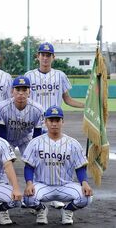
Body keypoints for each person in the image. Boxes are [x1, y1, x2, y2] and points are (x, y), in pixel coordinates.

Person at [24, 41, 85, 209]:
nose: (45, 57)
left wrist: (86, 107)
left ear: (53, 57)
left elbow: (68, 100)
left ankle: (54, 195)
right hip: (34, 124)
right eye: (42, 54)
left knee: (53, 160)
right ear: (38, 57)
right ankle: (37, 194)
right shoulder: (29, 75)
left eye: (48, 55)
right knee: (37, 160)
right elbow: (23, 98)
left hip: (54, 123)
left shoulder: (60, 75)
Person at [22, 106, 93, 225]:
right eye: (51, 120)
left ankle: (67, 210)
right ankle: (41, 210)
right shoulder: (35, 142)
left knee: (87, 198)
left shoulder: (72, 143)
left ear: (62, 122)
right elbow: (29, 166)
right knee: (28, 198)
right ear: (46, 122)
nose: (54, 123)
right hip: (42, 185)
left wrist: (84, 183)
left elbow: (80, 167)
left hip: (66, 185)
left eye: (57, 120)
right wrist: (29, 183)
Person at [0, 76, 44, 156]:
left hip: (26, 138)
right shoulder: (2, 107)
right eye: (18, 90)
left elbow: (37, 133)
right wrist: (6, 151)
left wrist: (34, 150)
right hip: (7, 138)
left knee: (33, 159)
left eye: (24, 90)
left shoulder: (37, 109)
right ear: (12, 91)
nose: (21, 93)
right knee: (4, 160)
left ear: (29, 92)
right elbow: (1, 131)